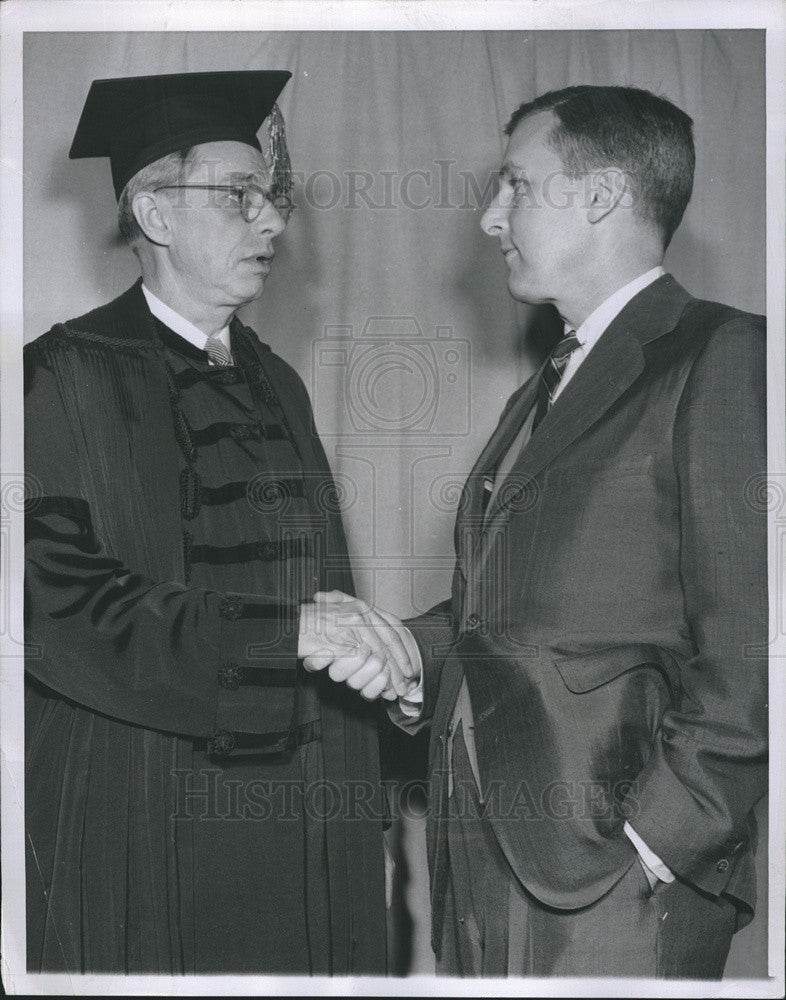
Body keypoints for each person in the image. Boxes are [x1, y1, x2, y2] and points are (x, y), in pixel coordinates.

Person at [303, 86, 768, 978]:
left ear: (598, 196)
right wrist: (410, 649)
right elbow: (515, 608)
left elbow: (751, 642)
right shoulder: (553, 378)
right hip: (486, 867)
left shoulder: (723, 355)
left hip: (613, 886)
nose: (490, 216)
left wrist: (658, 843)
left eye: (516, 184)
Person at [24, 70, 398, 975]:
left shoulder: (281, 383)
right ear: (153, 215)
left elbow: (327, 589)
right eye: (239, 197)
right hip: (146, 804)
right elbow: (51, 605)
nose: (271, 221)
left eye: (270, 198)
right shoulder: (58, 377)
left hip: (305, 811)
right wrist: (276, 639)